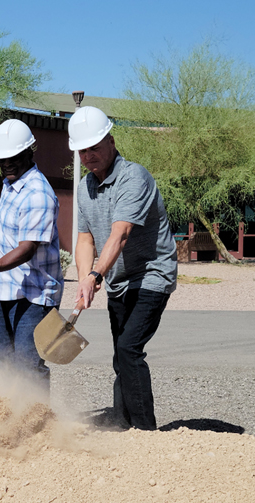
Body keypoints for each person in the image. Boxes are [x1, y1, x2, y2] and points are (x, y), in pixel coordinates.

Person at [69, 106, 177, 431]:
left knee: (130, 349)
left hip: (152, 274)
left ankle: (145, 431)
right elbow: (85, 239)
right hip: (119, 281)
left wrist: (95, 275)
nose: (89, 155)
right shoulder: (84, 188)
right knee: (121, 357)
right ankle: (122, 425)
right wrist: (85, 277)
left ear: (111, 141)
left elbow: (121, 233)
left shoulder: (134, 177)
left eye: (95, 147)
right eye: (82, 150)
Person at [0, 119, 63, 394]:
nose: (7, 163)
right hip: (9, 290)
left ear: (30, 151)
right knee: (7, 365)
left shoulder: (38, 193)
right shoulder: (11, 182)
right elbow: (6, 211)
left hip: (35, 295)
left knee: (28, 366)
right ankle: (11, 422)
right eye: (2, 159)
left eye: (13, 157)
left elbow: (28, 248)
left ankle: (38, 427)